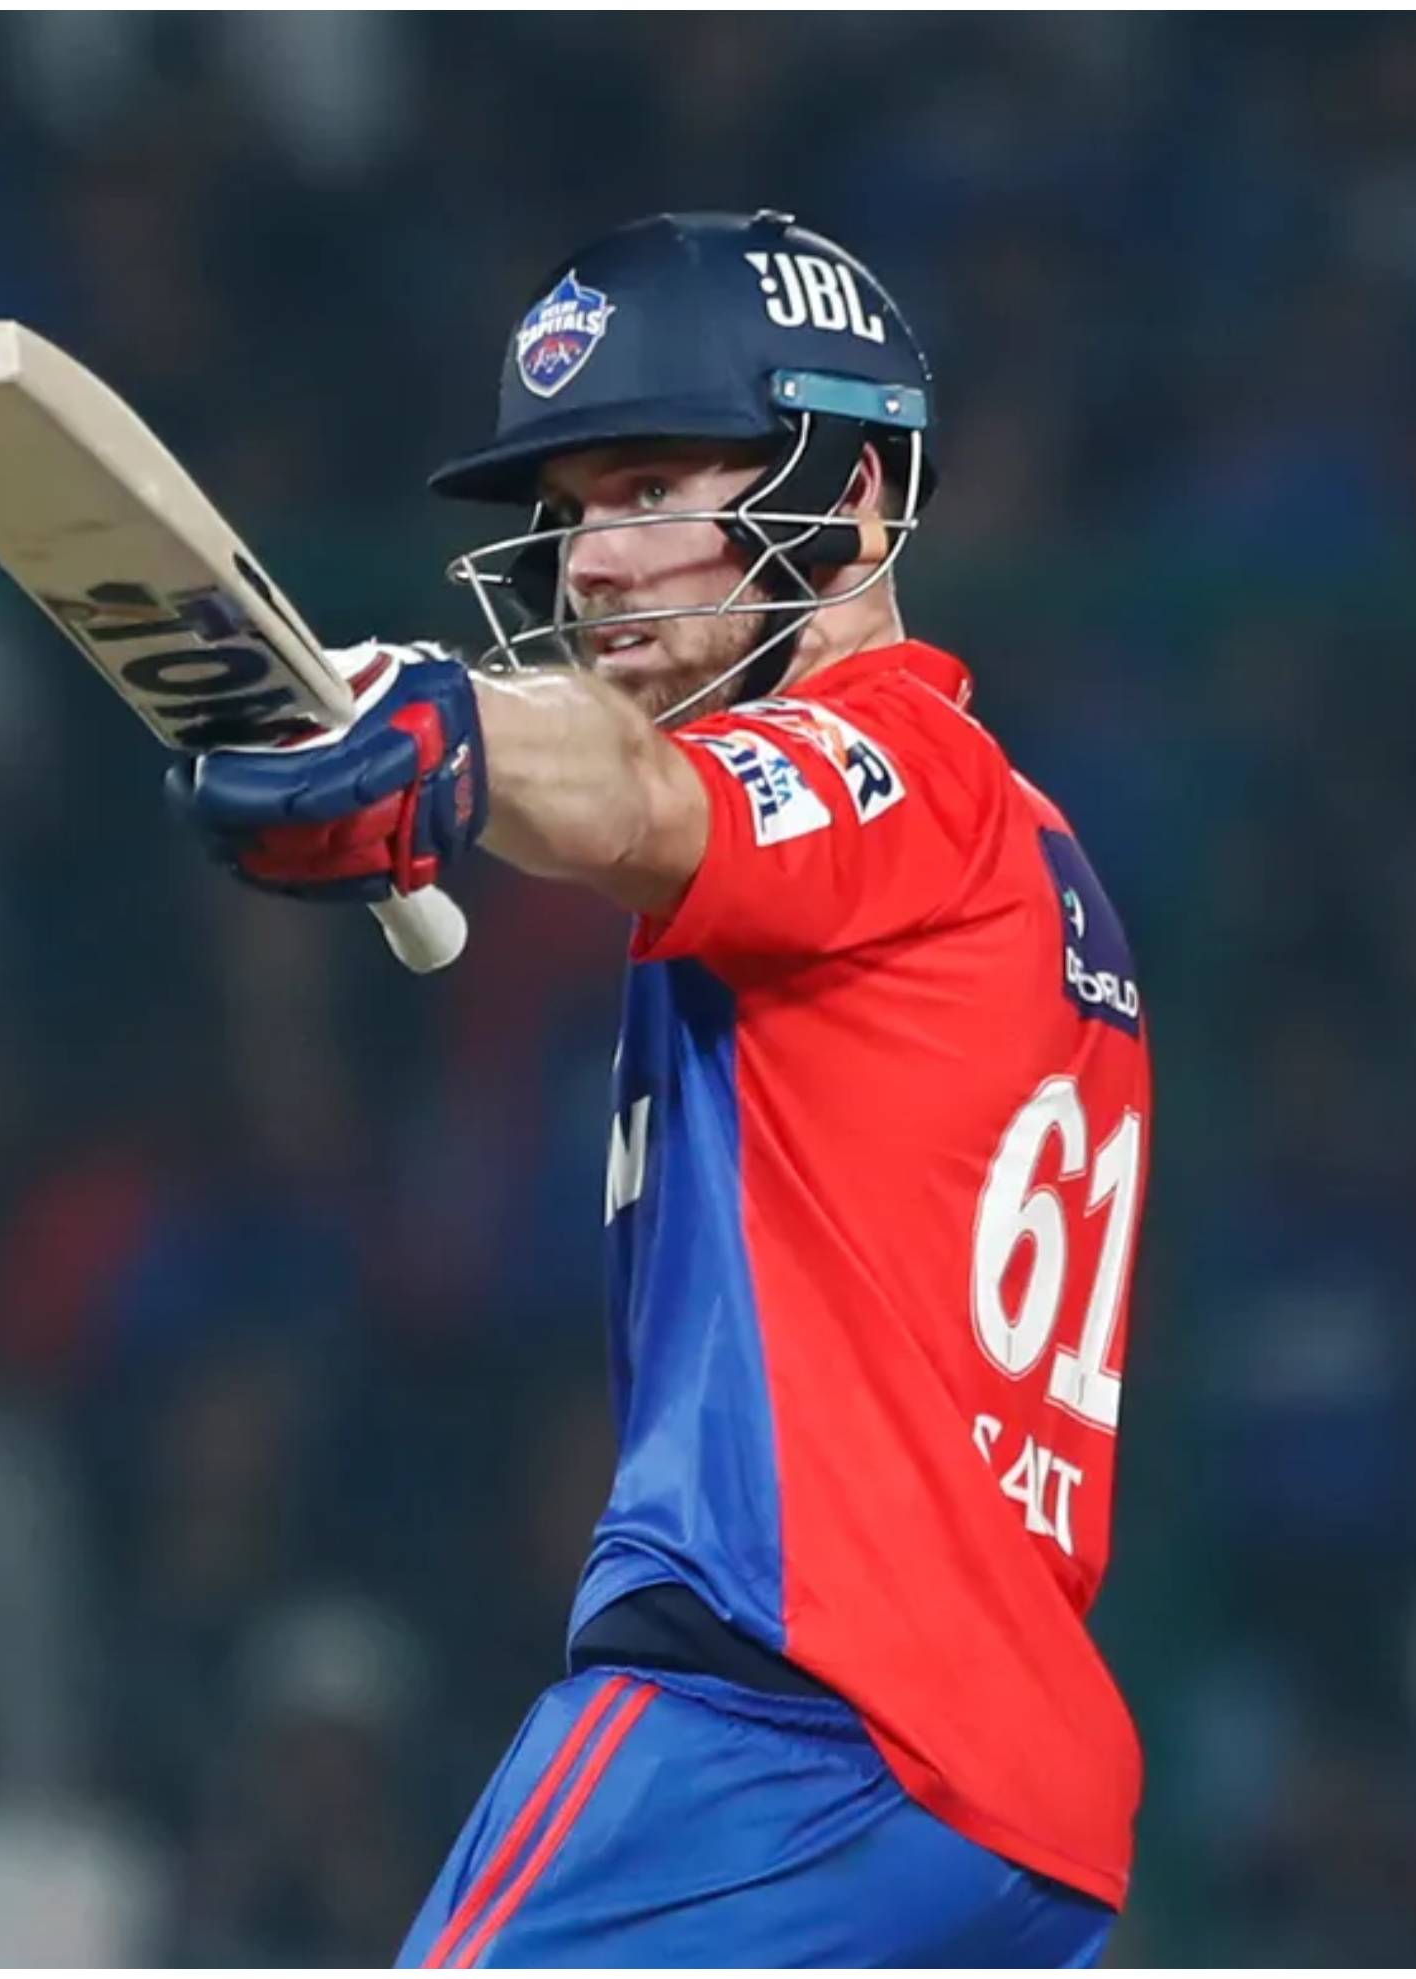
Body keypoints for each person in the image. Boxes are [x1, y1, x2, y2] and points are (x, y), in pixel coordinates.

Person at [174, 212, 1149, 1967]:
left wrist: (443, 722)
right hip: (1010, 1816)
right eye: (570, 512)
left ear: (855, 497)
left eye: (646, 488)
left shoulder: (898, 768)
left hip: (791, 1730)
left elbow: (638, 792)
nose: (592, 564)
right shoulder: (1029, 851)